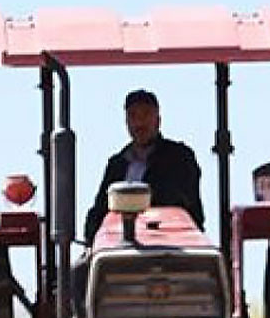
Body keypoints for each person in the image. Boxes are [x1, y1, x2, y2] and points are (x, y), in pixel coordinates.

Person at [82, 89, 205, 239]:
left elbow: (181, 201)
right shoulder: (117, 164)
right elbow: (101, 208)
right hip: (119, 245)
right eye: (133, 116)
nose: (139, 122)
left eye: (146, 115)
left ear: (158, 121)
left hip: (169, 241)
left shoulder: (178, 157)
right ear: (126, 122)